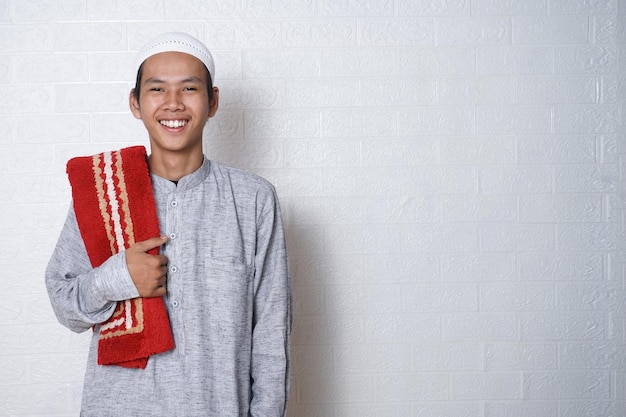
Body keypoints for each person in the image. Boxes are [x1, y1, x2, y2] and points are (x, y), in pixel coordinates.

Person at [45, 32, 291, 416]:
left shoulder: (253, 198)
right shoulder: (102, 192)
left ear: (213, 102)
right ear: (135, 103)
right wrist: (118, 276)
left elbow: (271, 335)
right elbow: (64, 304)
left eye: (189, 88)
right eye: (157, 89)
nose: (173, 103)